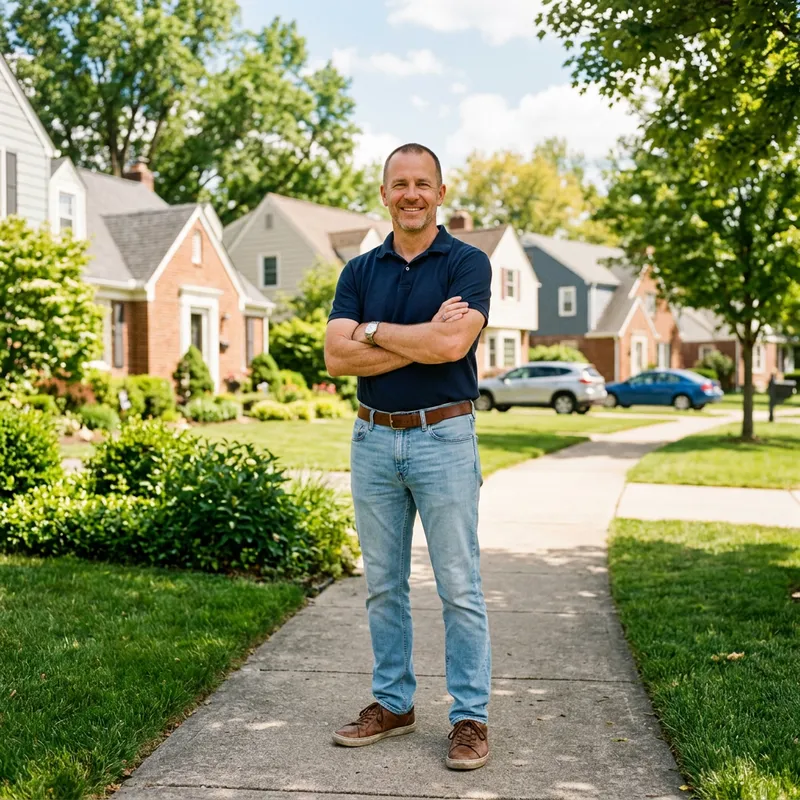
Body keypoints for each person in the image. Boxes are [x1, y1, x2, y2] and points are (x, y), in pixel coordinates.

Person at [324, 143, 492, 770]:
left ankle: (470, 717)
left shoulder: (468, 262)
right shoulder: (359, 271)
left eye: (423, 183)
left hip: (444, 437)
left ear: (441, 193)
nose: (411, 193)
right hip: (372, 439)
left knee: (459, 586)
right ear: (385, 194)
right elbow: (337, 358)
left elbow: (454, 344)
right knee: (383, 586)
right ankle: (393, 703)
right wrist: (422, 339)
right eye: (400, 183)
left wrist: (372, 331)